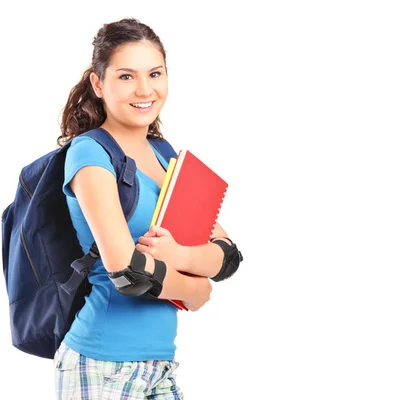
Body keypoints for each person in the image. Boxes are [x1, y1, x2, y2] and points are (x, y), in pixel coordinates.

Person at [54, 18, 243, 399]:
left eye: (155, 73)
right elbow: (127, 271)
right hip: (102, 363)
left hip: (160, 366)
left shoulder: (164, 153)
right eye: (126, 77)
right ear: (98, 83)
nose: (144, 90)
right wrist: (194, 288)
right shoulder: (91, 154)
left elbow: (228, 256)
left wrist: (179, 255)